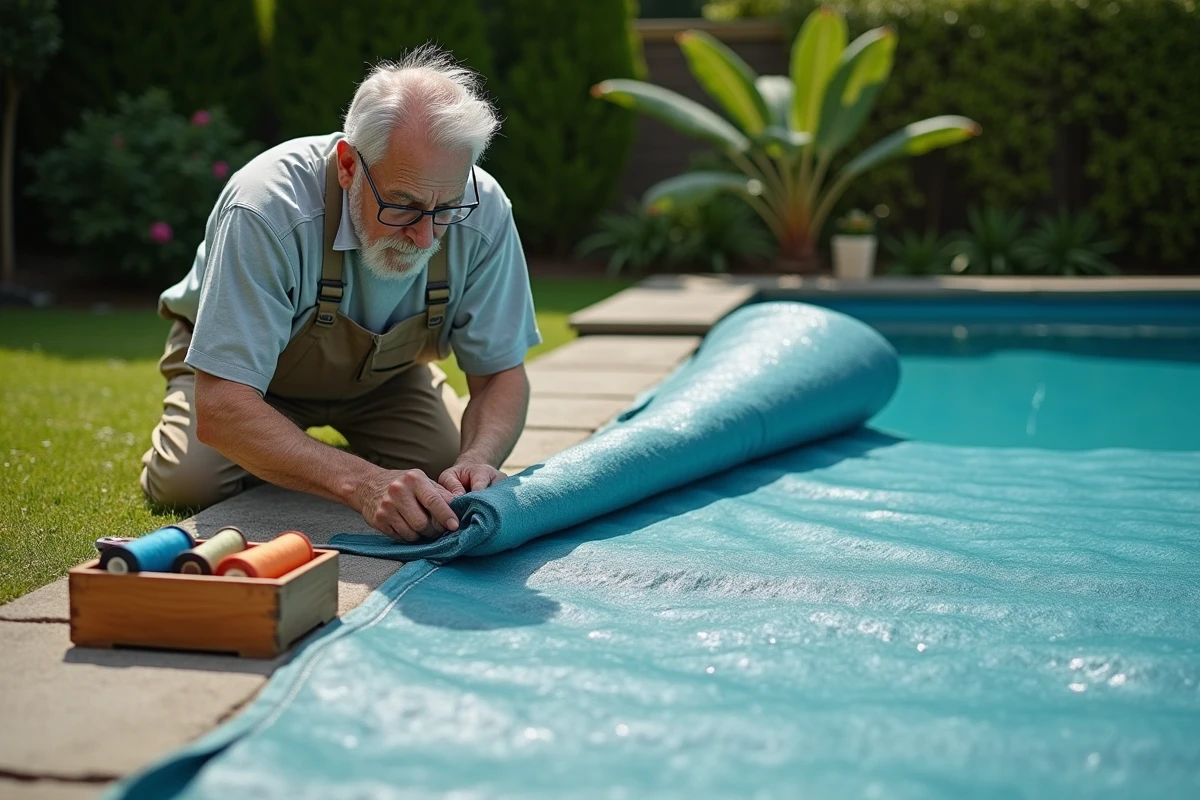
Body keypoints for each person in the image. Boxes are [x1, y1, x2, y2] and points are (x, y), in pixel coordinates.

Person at [139, 46, 540, 544]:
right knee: (186, 482)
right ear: (348, 165)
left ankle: (292, 451)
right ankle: (284, 443)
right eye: (404, 205)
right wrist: (364, 483)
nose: (426, 235)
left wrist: (477, 460)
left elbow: (502, 373)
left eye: (447, 207)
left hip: (385, 383)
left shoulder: (486, 209)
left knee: (443, 472)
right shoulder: (267, 208)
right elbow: (222, 406)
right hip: (247, 383)